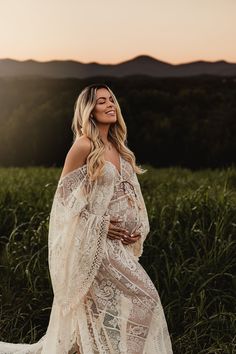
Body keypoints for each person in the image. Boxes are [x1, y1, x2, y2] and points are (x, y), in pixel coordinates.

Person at [0, 83, 173, 353]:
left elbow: (124, 194)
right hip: (95, 245)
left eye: (111, 100)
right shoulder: (83, 145)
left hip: (118, 246)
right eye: (102, 101)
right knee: (145, 297)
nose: (110, 105)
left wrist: (136, 224)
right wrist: (101, 226)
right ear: (89, 110)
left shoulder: (117, 145)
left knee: (93, 315)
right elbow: (64, 203)